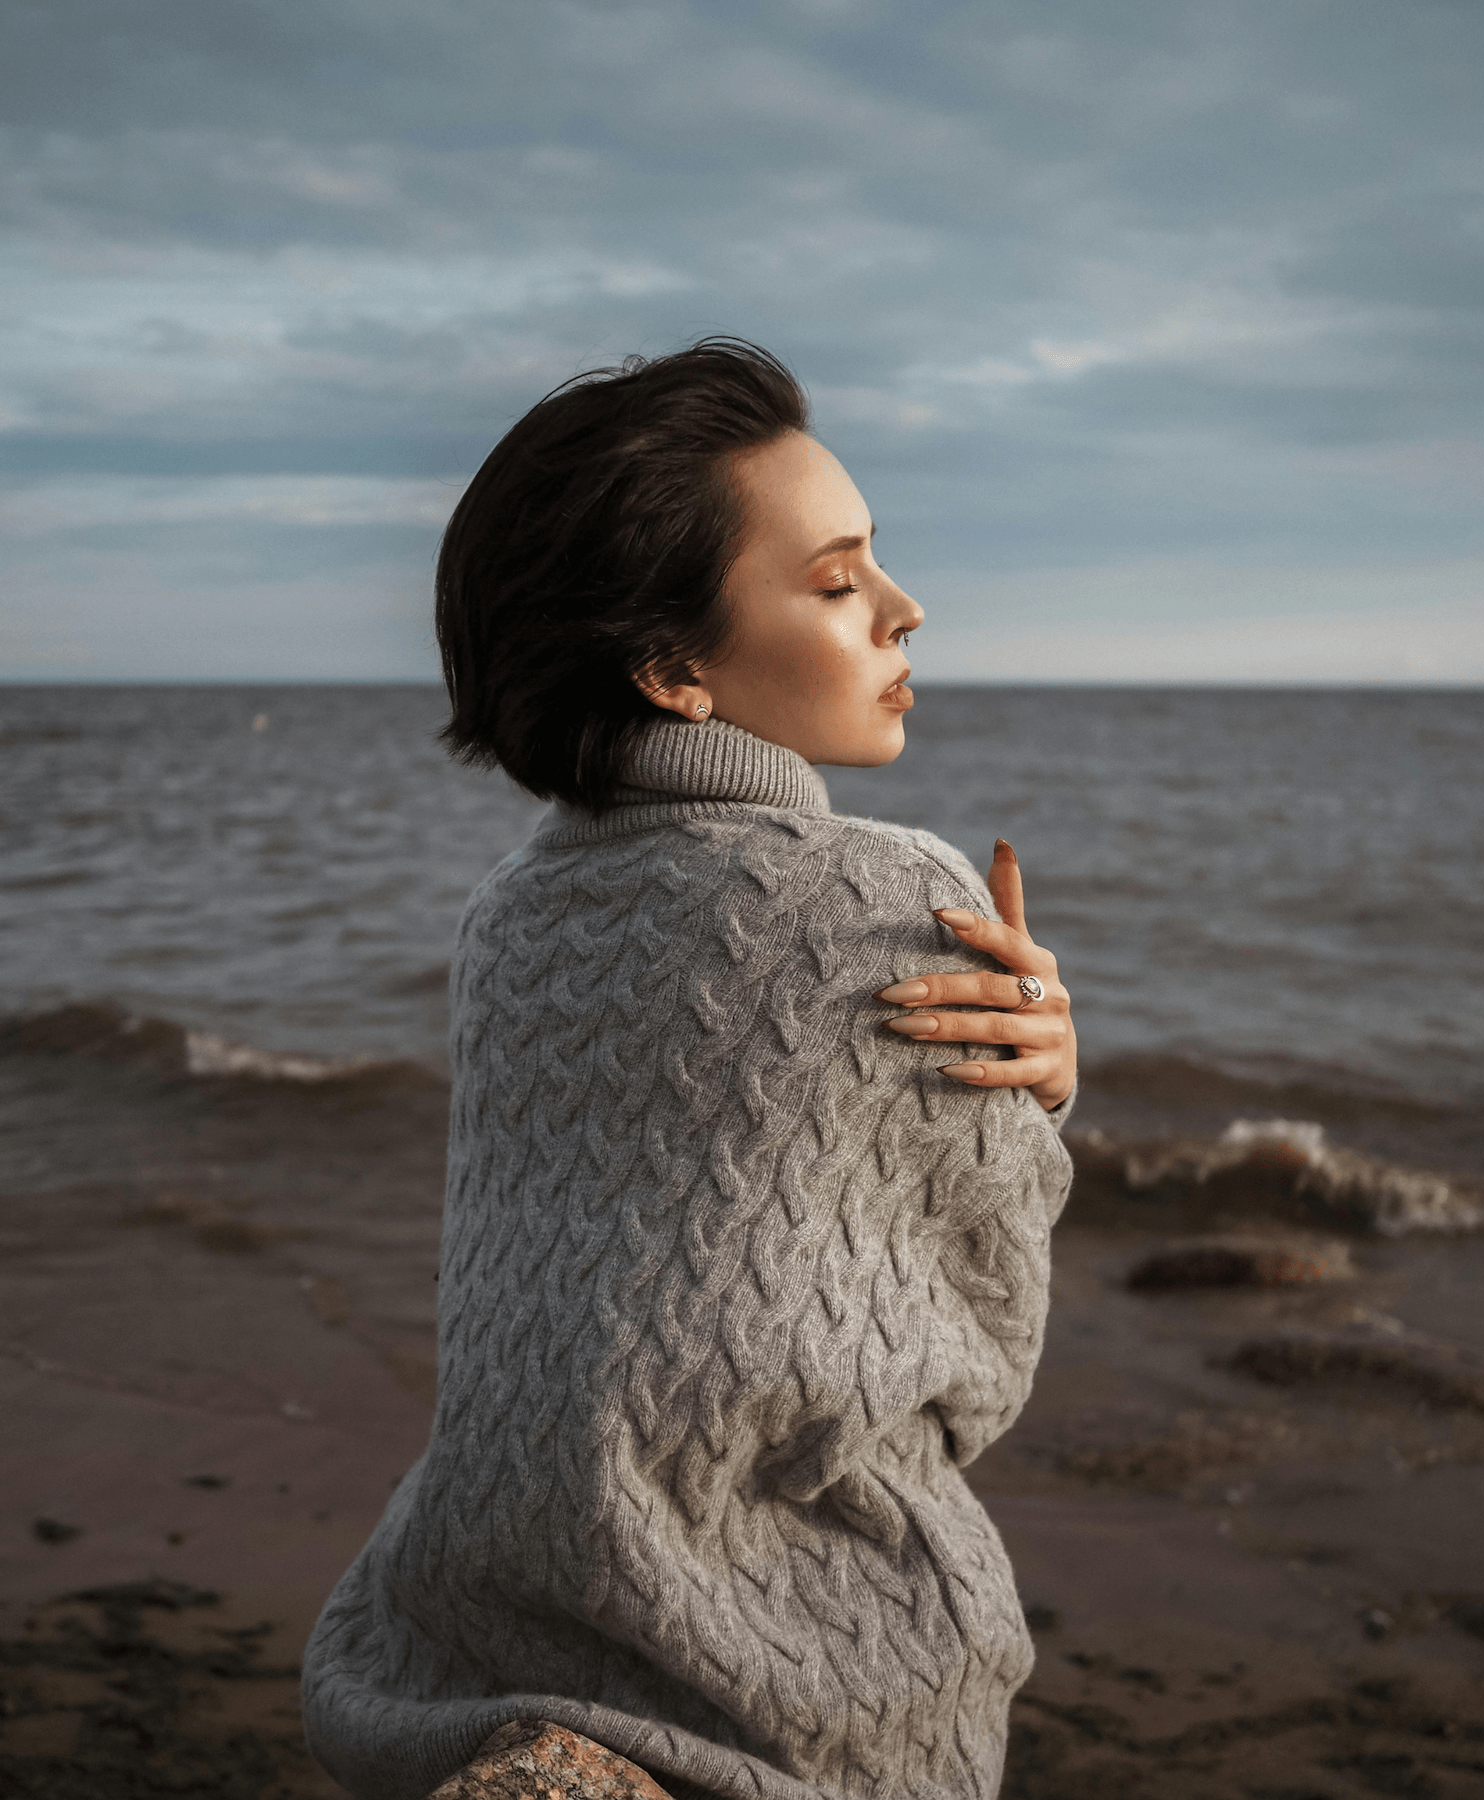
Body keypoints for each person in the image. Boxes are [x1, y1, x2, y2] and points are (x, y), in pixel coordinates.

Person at [302, 339, 1078, 1800]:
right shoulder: (886, 900)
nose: (906, 610)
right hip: (798, 1675)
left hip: (456, 1627)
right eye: (840, 584)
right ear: (671, 669)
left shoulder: (510, 913)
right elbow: (978, 1364)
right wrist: (1042, 1099)